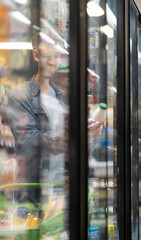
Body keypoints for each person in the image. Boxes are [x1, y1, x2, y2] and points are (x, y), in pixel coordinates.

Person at [6, 33, 102, 203]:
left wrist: (87, 132)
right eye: (46, 56)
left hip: (61, 187)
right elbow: (27, 139)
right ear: (36, 55)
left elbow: (71, 138)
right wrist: (65, 137)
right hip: (35, 191)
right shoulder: (20, 96)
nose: (52, 62)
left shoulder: (62, 96)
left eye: (56, 56)